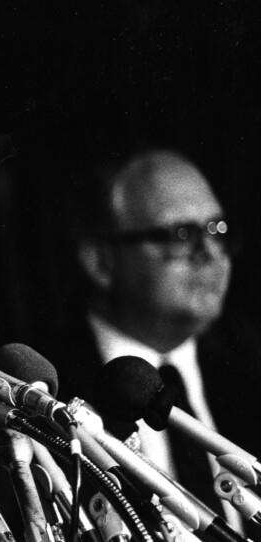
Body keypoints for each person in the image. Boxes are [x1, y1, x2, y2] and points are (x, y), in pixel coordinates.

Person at [45, 147, 261, 528]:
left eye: (217, 230)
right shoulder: (45, 392)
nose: (210, 253)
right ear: (101, 261)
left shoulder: (249, 366)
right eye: (180, 235)